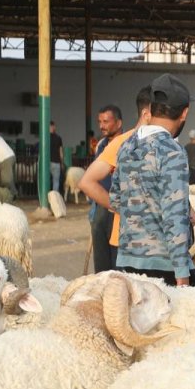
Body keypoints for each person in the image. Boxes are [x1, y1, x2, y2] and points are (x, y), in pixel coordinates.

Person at [111, 76, 195, 286]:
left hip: (128, 263)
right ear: (184, 113)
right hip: (165, 266)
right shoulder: (172, 151)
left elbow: (116, 199)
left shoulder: (127, 146)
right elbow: (174, 215)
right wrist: (182, 276)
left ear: (151, 109)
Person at [81, 104, 130, 273]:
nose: (101, 125)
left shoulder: (128, 144)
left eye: (106, 121)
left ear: (118, 123)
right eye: (99, 121)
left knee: (117, 259)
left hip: (118, 207)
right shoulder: (101, 145)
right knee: (101, 258)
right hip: (101, 205)